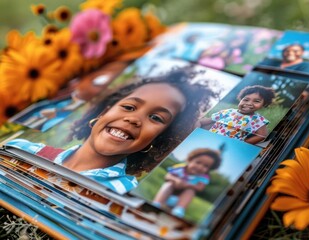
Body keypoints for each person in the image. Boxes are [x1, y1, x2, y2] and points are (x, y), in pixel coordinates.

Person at [5, 65, 218, 194]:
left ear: (159, 138)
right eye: (129, 107)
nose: (134, 119)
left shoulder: (127, 192)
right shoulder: (20, 150)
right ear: (104, 112)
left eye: (156, 118)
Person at [152, 148, 221, 218]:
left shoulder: (204, 177)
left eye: (206, 166)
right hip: (169, 193)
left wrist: (186, 184)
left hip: (181, 199)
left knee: (190, 191)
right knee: (169, 184)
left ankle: (179, 210)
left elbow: (200, 187)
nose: (200, 167)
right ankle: (157, 203)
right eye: (198, 162)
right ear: (190, 160)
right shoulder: (180, 168)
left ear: (210, 169)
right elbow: (168, 176)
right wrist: (176, 180)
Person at [199, 85, 275, 144]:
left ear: (264, 104)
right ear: (240, 99)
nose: (249, 103)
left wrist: (243, 143)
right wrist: (197, 123)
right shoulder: (228, 112)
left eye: (257, 101)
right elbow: (208, 120)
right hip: (209, 139)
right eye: (246, 100)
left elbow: (262, 135)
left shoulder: (258, 119)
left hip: (229, 146)